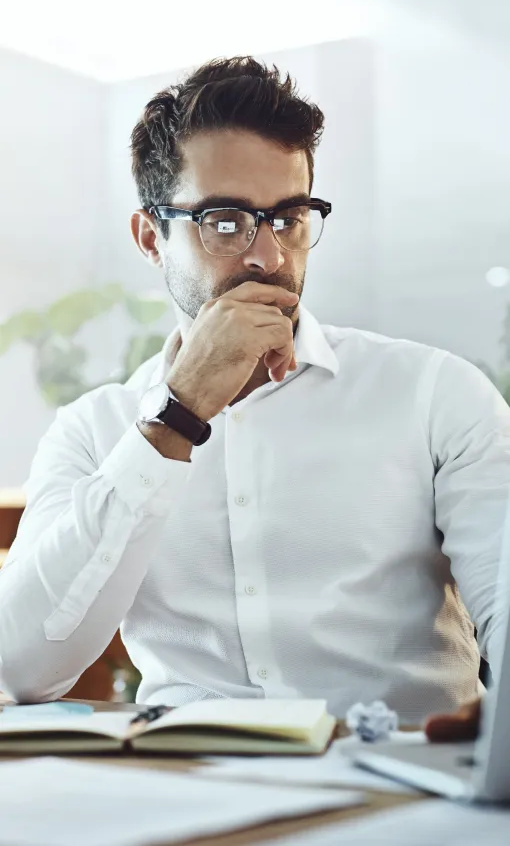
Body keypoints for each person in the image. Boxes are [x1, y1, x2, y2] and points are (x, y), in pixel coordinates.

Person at [0, 58, 507, 737]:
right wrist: (176, 414)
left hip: (396, 789)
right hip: (183, 793)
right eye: (226, 220)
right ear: (152, 238)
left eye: (290, 217)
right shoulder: (92, 430)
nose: (268, 256)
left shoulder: (434, 395)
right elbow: (24, 665)